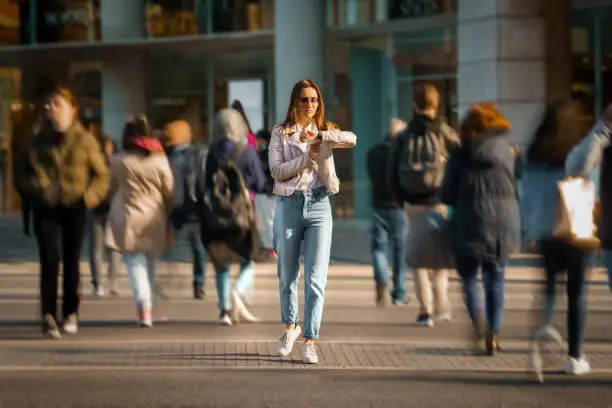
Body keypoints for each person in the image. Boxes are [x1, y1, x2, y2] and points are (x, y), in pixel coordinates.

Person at [269, 79, 357, 364]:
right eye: (305, 99)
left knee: (316, 279)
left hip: (320, 205)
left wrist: (322, 138)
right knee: (288, 276)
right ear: (295, 102)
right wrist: (306, 158)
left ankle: (310, 340)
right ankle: (290, 327)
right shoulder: (281, 133)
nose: (310, 104)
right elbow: (276, 171)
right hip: (289, 205)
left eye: (315, 100)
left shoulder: (325, 130)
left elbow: (353, 139)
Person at [17, 85, 109, 338]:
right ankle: (48, 315)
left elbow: (102, 176)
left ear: (72, 109)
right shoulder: (35, 141)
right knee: (49, 259)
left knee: (71, 262)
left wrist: (88, 198)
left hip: (74, 208)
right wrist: (38, 188)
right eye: (48, 105)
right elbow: (21, 175)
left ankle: (70, 312)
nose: (51, 109)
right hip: (45, 208)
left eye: (57, 104)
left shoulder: (85, 140)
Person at [440, 102, 520, 355]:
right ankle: (494, 334)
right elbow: (518, 183)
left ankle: (477, 323)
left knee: (469, 279)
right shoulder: (510, 151)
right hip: (503, 223)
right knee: (496, 278)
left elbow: (447, 195)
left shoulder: (460, 155)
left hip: (468, 222)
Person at [393, 84, 460, 326]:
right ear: (436, 105)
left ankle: (425, 311)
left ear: (414, 105)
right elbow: (460, 157)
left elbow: (392, 171)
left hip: (412, 202)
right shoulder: (444, 131)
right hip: (439, 201)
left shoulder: (404, 134)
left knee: (417, 257)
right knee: (441, 254)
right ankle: (442, 303)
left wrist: (401, 198)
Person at [105, 116, 174, 327]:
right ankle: (149, 306)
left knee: (135, 262)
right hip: (154, 215)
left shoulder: (118, 161)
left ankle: (144, 307)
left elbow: (111, 188)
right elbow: (169, 190)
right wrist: (167, 211)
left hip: (127, 215)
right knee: (151, 262)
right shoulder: (160, 160)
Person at [200, 108, 266, 326]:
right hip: (242, 216)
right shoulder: (246, 152)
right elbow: (259, 180)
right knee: (248, 260)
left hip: (217, 215)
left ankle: (224, 311)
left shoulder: (211, 153)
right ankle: (237, 292)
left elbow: (206, 184)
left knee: (221, 265)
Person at [163, 120, 209, 299]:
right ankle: (197, 282)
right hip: (189, 208)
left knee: (194, 247)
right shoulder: (177, 156)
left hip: (186, 208)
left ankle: (196, 281)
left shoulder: (192, 154)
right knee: (197, 248)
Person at [368, 118, 409, 307]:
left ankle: (382, 276)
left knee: (378, 248)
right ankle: (399, 294)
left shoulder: (374, 152)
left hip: (378, 205)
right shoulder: (403, 153)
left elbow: (371, 175)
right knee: (400, 253)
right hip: (399, 207)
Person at [87, 132, 122, 296]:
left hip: (95, 208)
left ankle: (97, 284)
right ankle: (113, 283)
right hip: (114, 208)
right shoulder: (117, 163)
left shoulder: (91, 163)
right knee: (114, 247)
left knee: (96, 249)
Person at [254, 128, 277, 261]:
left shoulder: (271, 154)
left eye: (259, 140)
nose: (257, 142)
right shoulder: (261, 153)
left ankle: (272, 248)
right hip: (262, 192)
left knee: (269, 220)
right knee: (263, 221)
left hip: (268, 193)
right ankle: (269, 247)